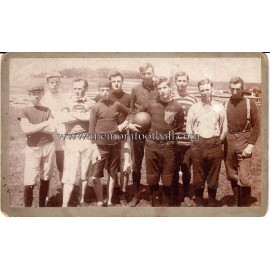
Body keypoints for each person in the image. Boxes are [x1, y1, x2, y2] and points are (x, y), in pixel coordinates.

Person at [128, 77, 184, 206]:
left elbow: (179, 127)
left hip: (168, 146)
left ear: (171, 88)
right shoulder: (150, 104)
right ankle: (155, 201)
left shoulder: (178, 107)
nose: (162, 91)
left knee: (167, 176)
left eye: (165, 87)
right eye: (160, 88)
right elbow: (134, 113)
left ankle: (165, 201)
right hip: (151, 145)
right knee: (152, 175)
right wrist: (130, 124)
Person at [89, 79, 133, 207]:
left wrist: (124, 124)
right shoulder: (95, 107)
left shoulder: (117, 104)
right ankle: (99, 200)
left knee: (113, 173)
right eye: (102, 90)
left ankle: (109, 200)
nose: (105, 93)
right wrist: (95, 148)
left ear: (110, 90)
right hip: (100, 147)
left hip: (114, 144)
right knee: (95, 176)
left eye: (107, 90)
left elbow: (131, 112)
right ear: (98, 91)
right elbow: (91, 130)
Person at [186, 79, 227, 206]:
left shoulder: (219, 107)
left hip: (214, 144)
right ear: (199, 91)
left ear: (212, 90)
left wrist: (219, 139)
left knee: (213, 173)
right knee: (198, 173)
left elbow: (224, 126)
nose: (205, 92)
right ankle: (198, 199)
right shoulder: (194, 107)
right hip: (198, 144)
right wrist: (193, 139)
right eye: (202, 90)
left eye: (207, 89)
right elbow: (189, 126)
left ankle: (211, 199)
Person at [224, 77, 260, 206]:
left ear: (242, 88)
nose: (234, 92)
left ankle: (245, 204)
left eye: (237, 89)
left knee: (244, 176)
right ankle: (236, 202)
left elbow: (256, 126)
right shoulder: (225, 103)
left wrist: (250, 145)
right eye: (232, 89)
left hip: (244, 140)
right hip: (229, 140)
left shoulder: (250, 104)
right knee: (232, 173)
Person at [18, 85, 56, 207]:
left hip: (48, 146)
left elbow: (52, 129)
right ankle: (27, 209)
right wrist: (45, 123)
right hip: (33, 147)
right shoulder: (24, 110)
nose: (36, 95)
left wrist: (33, 127)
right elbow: (26, 130)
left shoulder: (47, 110)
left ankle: (41, 207)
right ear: (29, 94)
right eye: (33, 93)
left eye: (39, 93)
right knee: (30, 178)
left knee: (46, 176)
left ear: (42, 94)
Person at [61, 78, 95, 207]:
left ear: (85, 89)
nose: (77, 91)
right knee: (70, 173)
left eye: (79, 89)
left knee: (85, 171)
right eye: (75, 88)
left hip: (86, 139)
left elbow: (91, 118)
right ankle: (64, 204)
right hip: (71, 139)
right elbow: (64, 118)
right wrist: (82, 116)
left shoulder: (91, 102)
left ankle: (82, 199)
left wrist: (73, 114)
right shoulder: (67, 101)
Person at [128, 63, 158, 207]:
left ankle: (153, 194)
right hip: (138, 130)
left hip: (154, 131)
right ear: (140, 75)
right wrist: (130, 123)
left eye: (149, 73)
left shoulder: (159, 87)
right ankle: (136, 193)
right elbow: (131, 109)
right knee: (136, 163)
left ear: (153, 74)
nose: (146, 76)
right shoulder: (135, 89)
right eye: (144, 73)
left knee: (153, 164)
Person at [172, 72, 197, 206]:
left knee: (187, 168)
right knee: (174, 168)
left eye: (184, 81)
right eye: (179, 81)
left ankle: (186, 194)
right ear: (175, 82)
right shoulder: (170, 98)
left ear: (187, 82)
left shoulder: (193, 99)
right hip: (174, 140)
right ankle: (175, 194)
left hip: (187, 141)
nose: (181, 83)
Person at [41, 71, 65, 183]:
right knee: (47, 164)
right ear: (48, 83)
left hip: (61, 133)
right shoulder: (44, 99)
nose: (54, 84)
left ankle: (63, 187)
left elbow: (65, 114)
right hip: (48, 134)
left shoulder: (63, 97)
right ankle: (45, 192)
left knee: (62, 162)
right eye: (52, 82)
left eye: (56, 82)